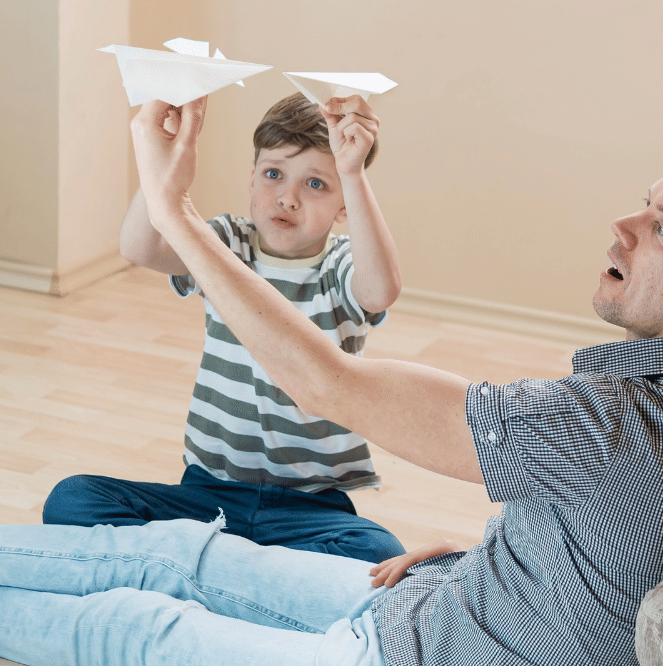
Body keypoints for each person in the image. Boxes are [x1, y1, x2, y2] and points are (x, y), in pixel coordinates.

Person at [0, 96, 663, 666]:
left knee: (135, 627)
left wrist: (168, 199)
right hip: (443, 600)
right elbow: (649, 538)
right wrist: (509, 545)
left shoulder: (613, 425)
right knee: (183, 552)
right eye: (640, 204)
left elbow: (324, 382)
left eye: (659, 227)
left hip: (396, 656)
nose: (619, 227)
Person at [41, 93, 406, 564]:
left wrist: (353, 172)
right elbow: (139, 248)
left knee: (377, 553)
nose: (288, 197)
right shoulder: (225, 243)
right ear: (251, 177)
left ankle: (202, 568)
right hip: (207, 496)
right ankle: (239, 574)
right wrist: (168, 173)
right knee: (72, 499)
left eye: (316, 183)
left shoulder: (341, 267)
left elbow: (380, 291)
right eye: (273, 174)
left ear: (343, 208)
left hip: (310, 507)